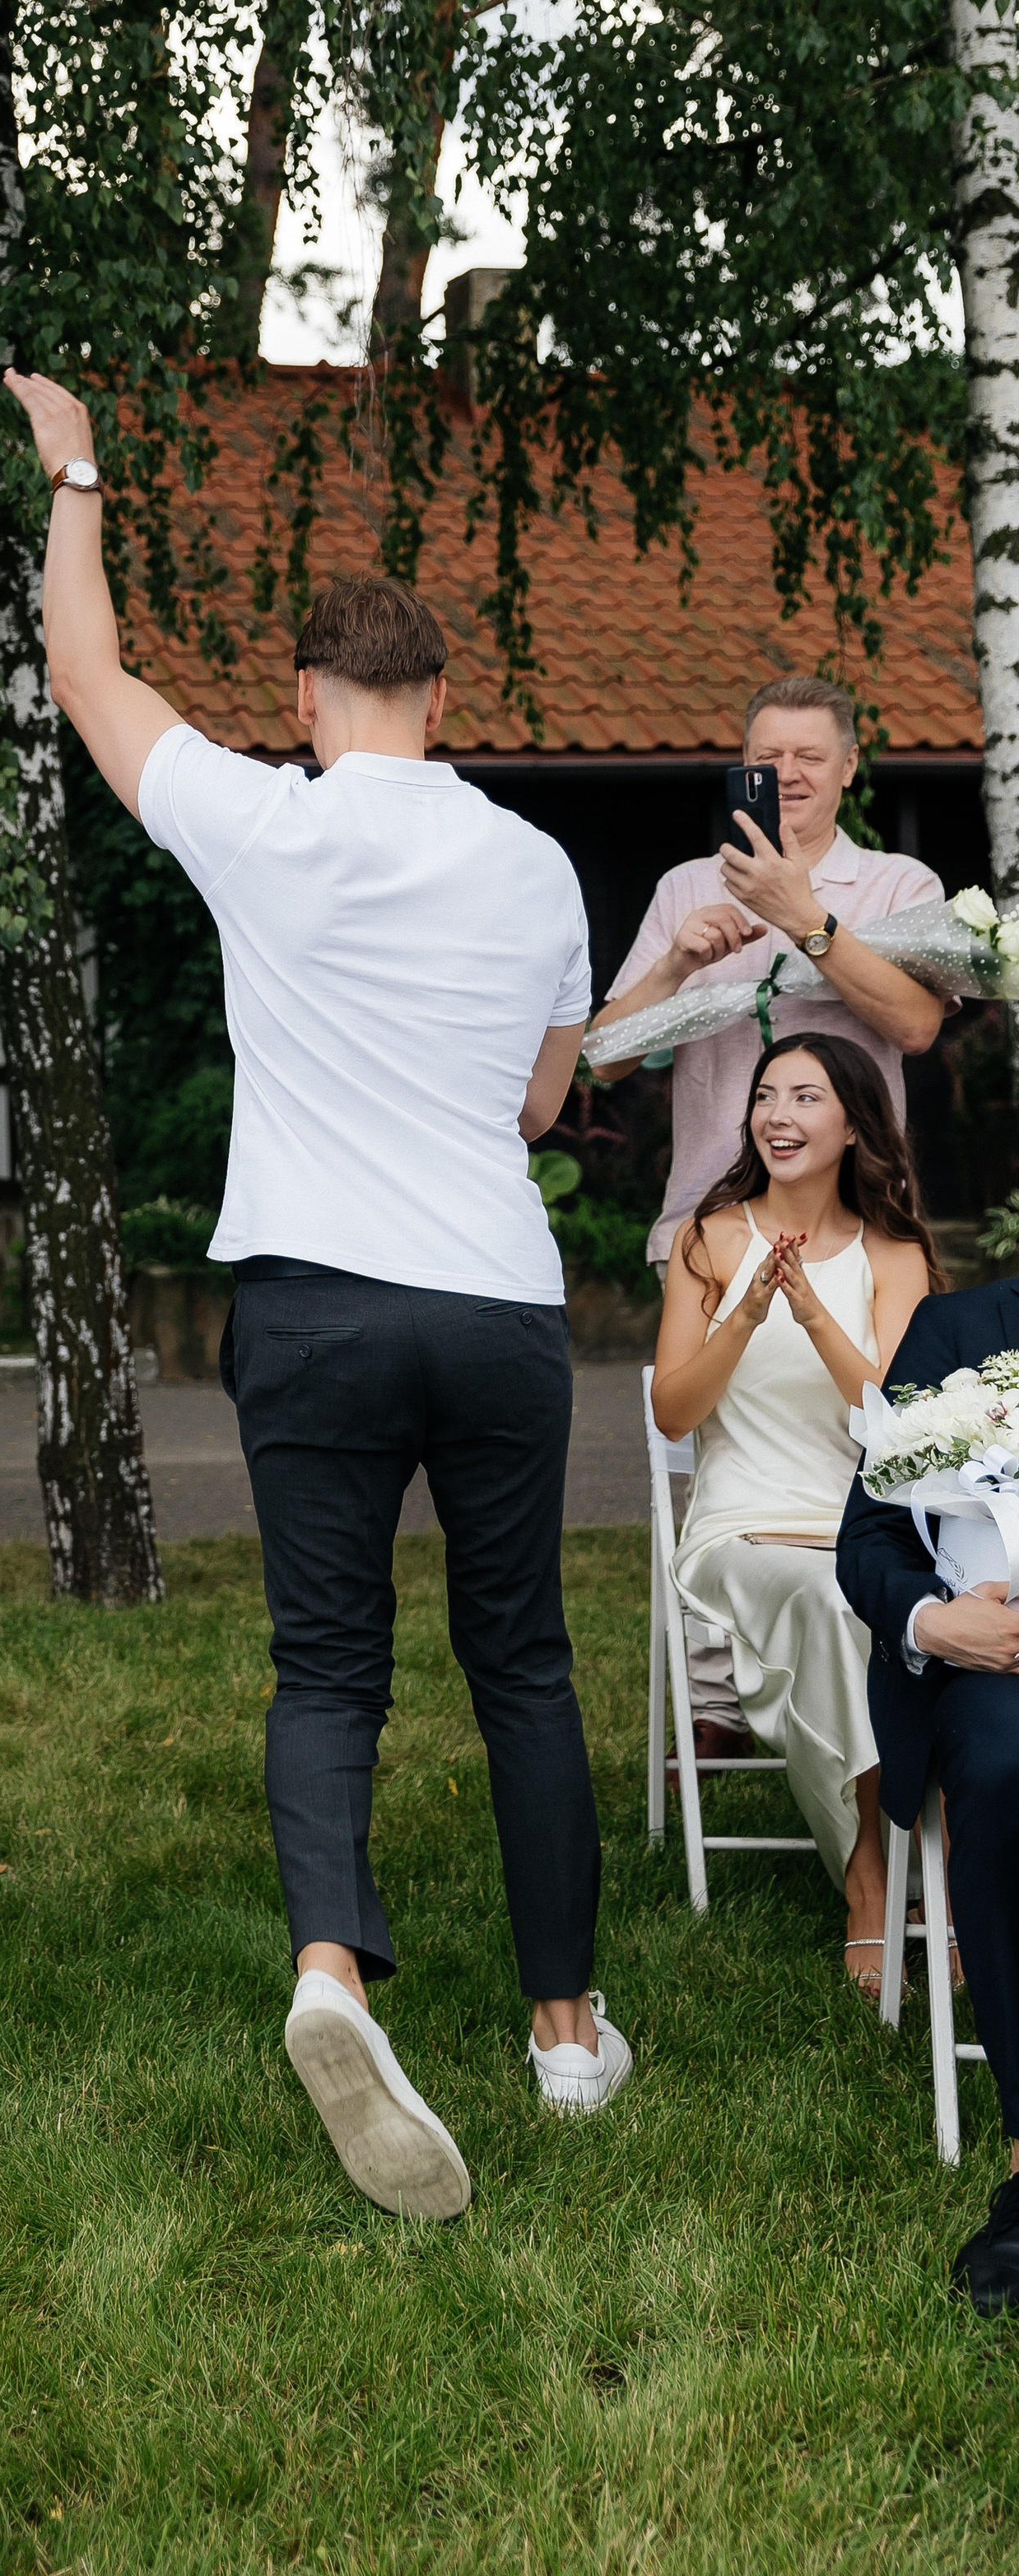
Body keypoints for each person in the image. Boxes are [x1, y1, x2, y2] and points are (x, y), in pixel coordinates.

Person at [16, 364, 627, 2223]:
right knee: (517, 1656)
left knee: (328, 1657)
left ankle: (329, 1972)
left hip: (312, 1305)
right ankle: (560, 2024)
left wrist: (77, 473)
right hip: (496, 1303)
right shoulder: (531, 861)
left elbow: (86, 675)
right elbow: (541, 1101)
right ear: (440, 699)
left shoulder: (258, 820)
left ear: (300, 702)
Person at [591, 673, 946, 1755]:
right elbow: (601, 1059)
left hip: (862, 1220)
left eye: (808, 756)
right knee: (716, 1448)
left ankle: (876, 1657)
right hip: (711, 1215)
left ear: (848, 769)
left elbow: (918, 1025)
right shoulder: (688, 884)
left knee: (869, 1432)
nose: (787, 774)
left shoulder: (896, 883)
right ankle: (720, 1706)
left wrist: (809, 920)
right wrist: (677, 962)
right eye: (767, 756)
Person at [649, 1035, 934, 1988]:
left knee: (902, 1605)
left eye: (804, 1097)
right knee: (831, 1601)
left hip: (859, 1517)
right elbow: (674, 1412)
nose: (776, 1115)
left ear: (853, 1124)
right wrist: (746, 1308)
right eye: (765, 1095)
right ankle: (869, 1875)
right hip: (743, 1523)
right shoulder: (711, 1236)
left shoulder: (894, 1255)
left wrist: (812, 1313)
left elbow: (896, 1430)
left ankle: (928, 1860)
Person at [836, 1271, 1019, 2317]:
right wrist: (931, 1625)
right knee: (1001, 1768)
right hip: (984, 1659)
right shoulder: (955, 1329)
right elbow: (868, 1541)